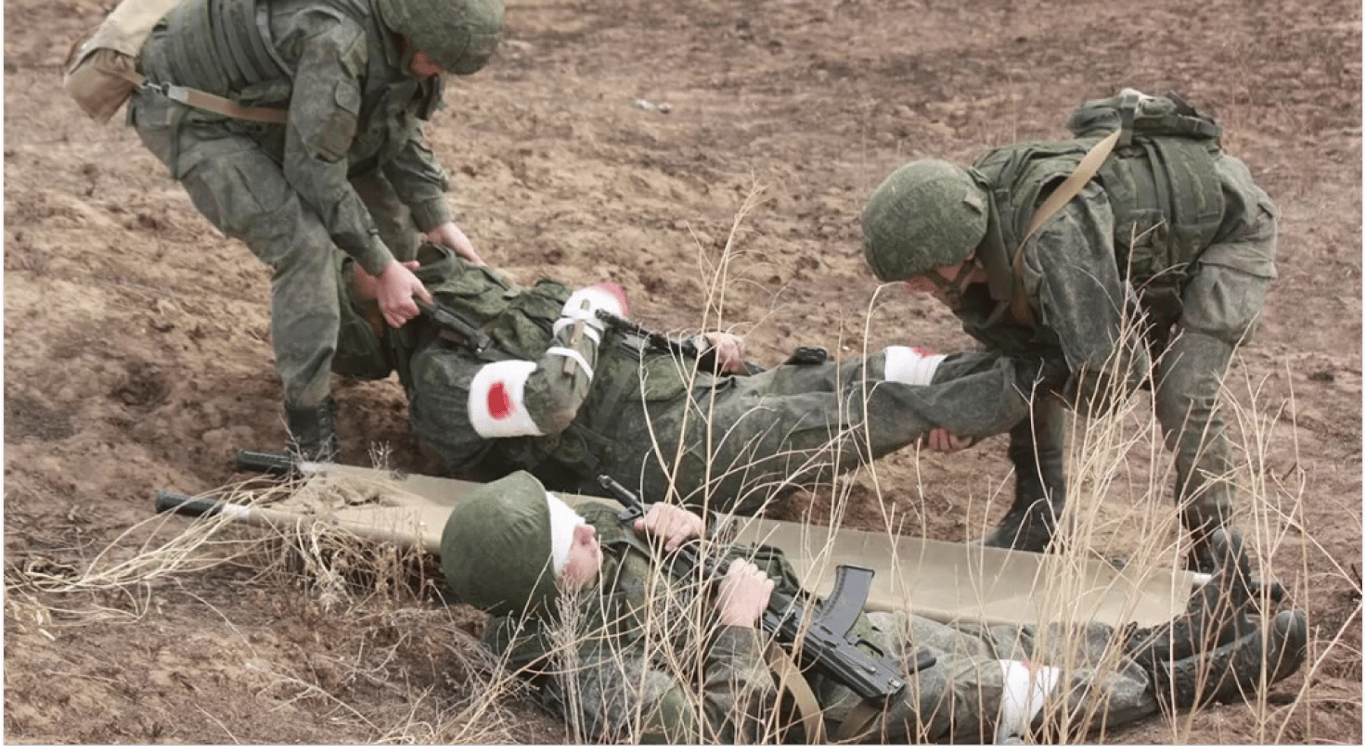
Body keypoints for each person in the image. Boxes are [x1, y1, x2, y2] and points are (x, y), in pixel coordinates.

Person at [439, 471, 1307, 744]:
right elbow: (719, 735)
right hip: (824, 702)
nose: (587, 530)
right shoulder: (597, 676)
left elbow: (743, 563)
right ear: (548, 583)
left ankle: (1168, 631)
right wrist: (738, 635)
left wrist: (695, 532)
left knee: (1001, 629)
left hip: (825, 626)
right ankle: (1177, 685)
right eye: (571, 540)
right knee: (999, 689)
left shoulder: (575, 546)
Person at [859, 90, 1279, 570]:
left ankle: (1219, 552)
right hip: (1138, 252)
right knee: (1035, 360)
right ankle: (1038, 519)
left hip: (1229, 233)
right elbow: (1020, 358)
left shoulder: (1053, 241)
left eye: (919, 274)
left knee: (1182, 390)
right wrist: (970, 423)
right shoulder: (974, 227)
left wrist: (987, 409)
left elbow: (1110, 376)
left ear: (957, 248)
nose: (914, 287)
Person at [330, 242, 1060, 515]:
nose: (391, 246)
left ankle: (1021, 363)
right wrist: (588, 308)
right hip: (675, 455)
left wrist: (689, 347)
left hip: (689, 399)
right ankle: (1054, 370)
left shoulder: (474, 316)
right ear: (377, 318)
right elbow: (551, 402)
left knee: (893, 369)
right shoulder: (441, 384)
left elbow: (593, 357)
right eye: (370, 261)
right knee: (883, 403)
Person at [127, 0, 505, 460]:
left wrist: (436, 218)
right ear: (409, 31)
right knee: (302, 245)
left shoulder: (407, 31)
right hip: (193, 111)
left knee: (398, 236)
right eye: (437, 60)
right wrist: (379, 265)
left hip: (274, 104)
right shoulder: (336, 38)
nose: (439, 72)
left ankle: (370, 350)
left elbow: (391, 122)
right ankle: (308, 429)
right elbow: (315, 171)